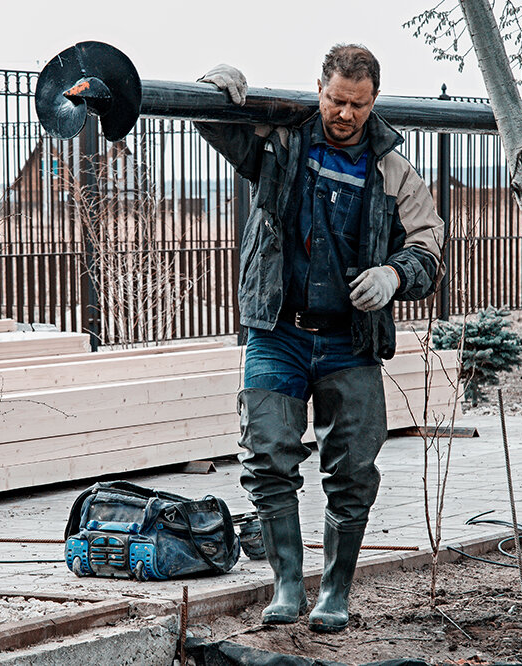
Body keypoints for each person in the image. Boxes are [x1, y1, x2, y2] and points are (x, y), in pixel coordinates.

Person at [196, 45, 444, 633]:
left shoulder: (393, 172)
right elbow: (219, 129)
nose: (344, 114)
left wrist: (393, 274)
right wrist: (214, 89)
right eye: (335, 99)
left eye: (357, 105)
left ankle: (335, 591)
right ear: (320, 89)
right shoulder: (283, 145)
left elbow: (429, 250)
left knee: (353, 470)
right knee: (268, 455)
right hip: (277, 330)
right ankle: (286, 584)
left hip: (348, 341)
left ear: (373, 100)